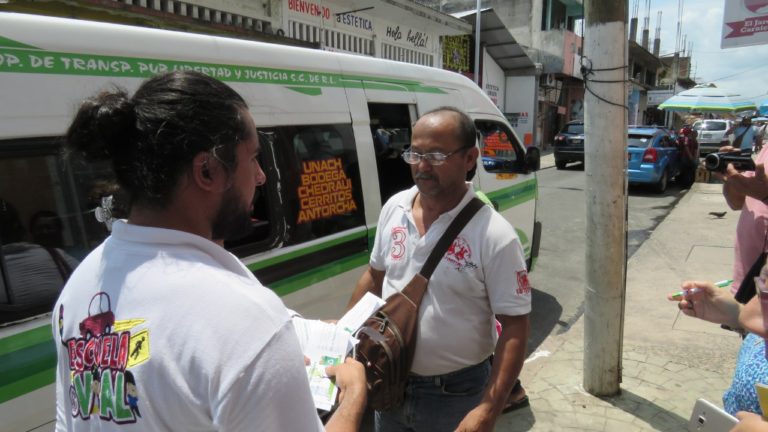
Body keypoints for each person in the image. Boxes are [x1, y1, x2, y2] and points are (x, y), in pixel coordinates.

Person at [53, 71, 366, 431]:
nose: (262, 176)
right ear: (208, 171)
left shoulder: (79, 286)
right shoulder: (246, 320)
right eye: (253, 158)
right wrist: (353, 398)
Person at [346, 107, 531, 432]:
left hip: (456, 397)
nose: (422, 165)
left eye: (436, 154)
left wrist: (488, 409)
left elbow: (515, 327)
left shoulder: (494, 235)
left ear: (470, 158)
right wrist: (343, 339)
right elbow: (375, 277)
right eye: (415, 153)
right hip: (389, 382)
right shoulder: (395, 208)